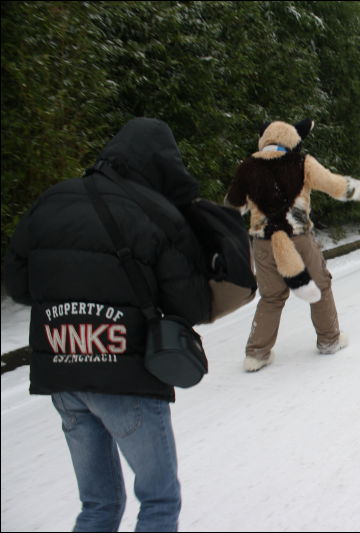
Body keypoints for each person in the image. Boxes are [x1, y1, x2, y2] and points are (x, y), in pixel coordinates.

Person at [3, 117, 212, 532]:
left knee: (98, 505)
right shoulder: (152, 212)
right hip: (126, 374)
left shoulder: (50, 201)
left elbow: (18, 285)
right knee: (158, 500)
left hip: (61, 371)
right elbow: (189, 302)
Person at [225, 119, 360, 372]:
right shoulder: (303, 163)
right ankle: (329, 340)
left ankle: (256, 354)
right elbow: (333, 185)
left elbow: (232, 206)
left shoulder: (247, 167)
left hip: (262, 243)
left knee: (271, 297)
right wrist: (357, 190)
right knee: (320, 286)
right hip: (298, 239)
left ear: (265, 138)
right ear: (293, 140)